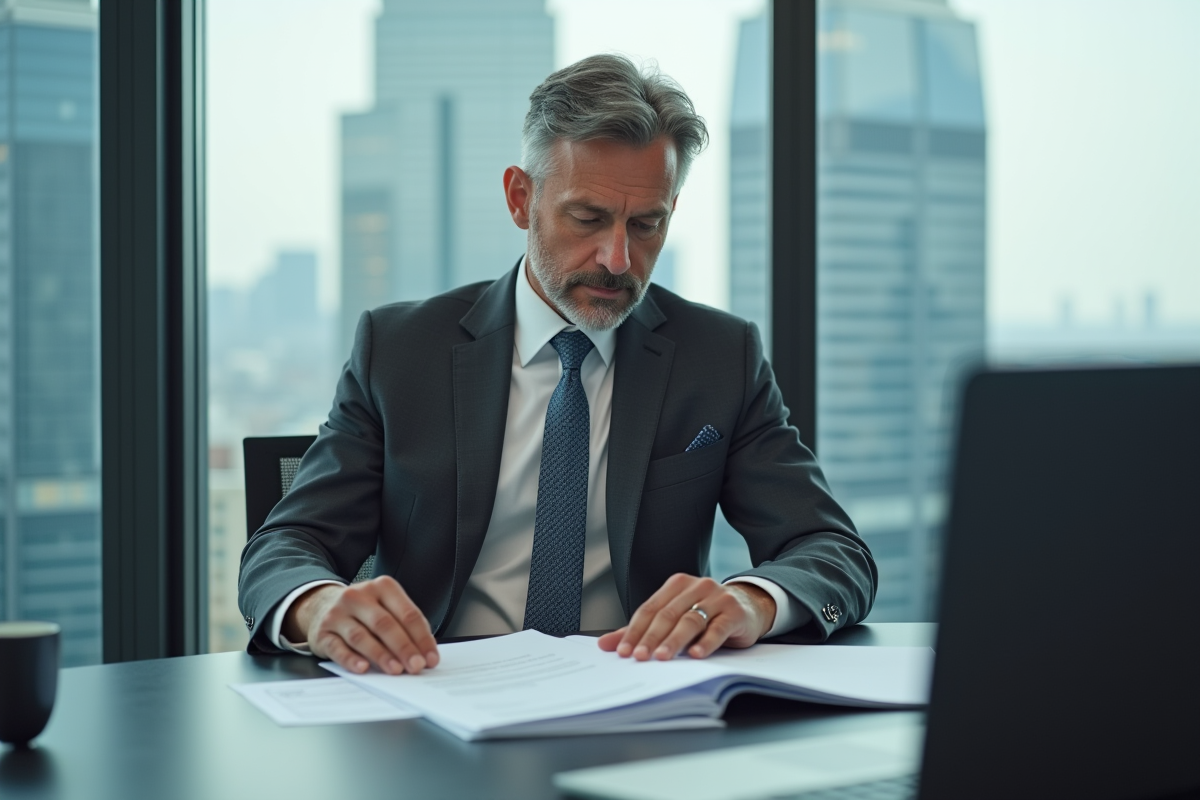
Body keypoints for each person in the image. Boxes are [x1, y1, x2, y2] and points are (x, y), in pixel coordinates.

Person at [238, 54, 876, 677]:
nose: (618, 258)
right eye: (588, 218)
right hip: (438, 691)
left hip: (640, 696)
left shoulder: (720, 356)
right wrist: (316, 605)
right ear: (521, 199)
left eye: (647, 224)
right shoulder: (402, 348)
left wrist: (751, 601)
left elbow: (832, 552)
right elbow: (287, 546)